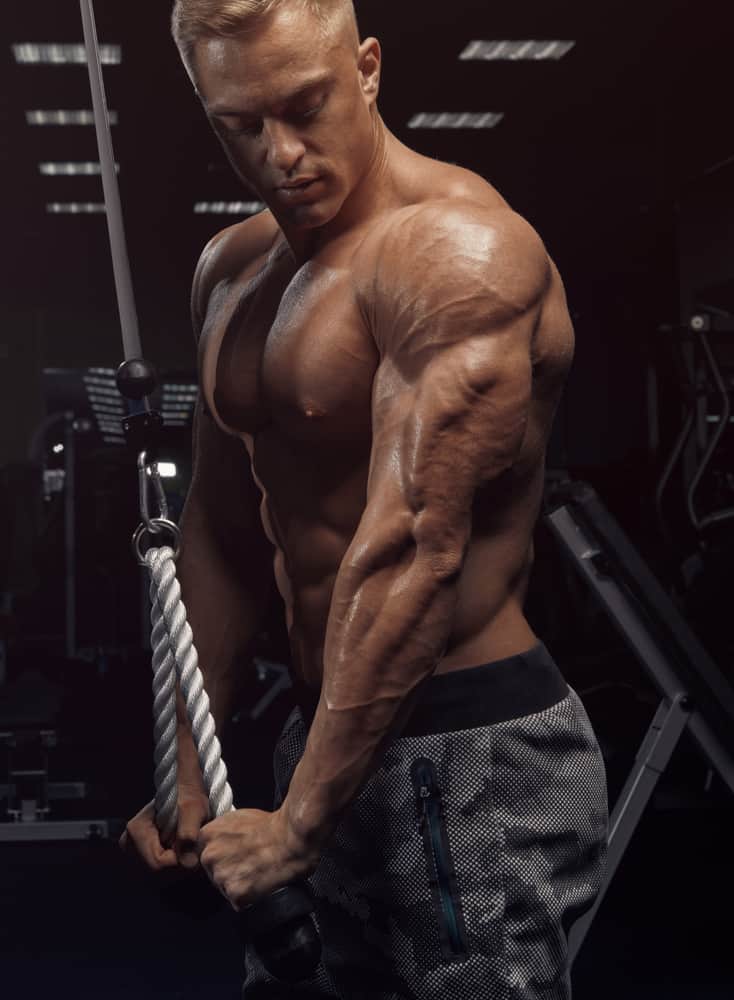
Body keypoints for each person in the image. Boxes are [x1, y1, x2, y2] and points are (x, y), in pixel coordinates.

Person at [122, 1, 609, 996]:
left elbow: (412, 548)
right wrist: (185, 768)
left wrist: (297, 823)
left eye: (305, 107)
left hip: (470, 750)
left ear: (369, 69)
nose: (281, 154)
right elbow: (216, 532)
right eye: (241, 126)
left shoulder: (455, 254)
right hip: (319, 738)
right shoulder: (230, 271)